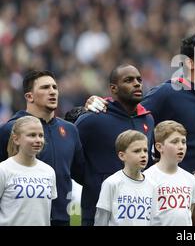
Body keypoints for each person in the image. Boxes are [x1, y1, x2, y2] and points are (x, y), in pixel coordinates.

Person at [85, 34, 195, 173]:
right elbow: (130, 113)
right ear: (189, 62)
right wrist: (98, 104)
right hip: (177, 189)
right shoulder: (167, 93)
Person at [0, 70, 83, 226]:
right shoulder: (9, 130)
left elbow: (81, 174)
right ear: (29, 96)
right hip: (21, 219)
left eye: (54, 87)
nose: (52, 91)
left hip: (62, 218)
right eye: (45, 87)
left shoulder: (70, 130)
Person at [75, 64, 154, 226]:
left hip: (137, 212)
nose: (137, 83)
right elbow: (72, 157)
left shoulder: (148, 119)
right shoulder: (93, 119)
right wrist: (94, 179)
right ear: (113, 88)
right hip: (98, 211)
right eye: (129, 80)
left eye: (139, 79)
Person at [0, 116, 57, 225]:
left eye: (41, 135)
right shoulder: (3, 169)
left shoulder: (49, 171)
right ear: (16, 139)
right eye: (32, 135)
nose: (38, 140)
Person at [143, 120, 195, 225]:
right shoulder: (147, 178)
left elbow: (190, 212)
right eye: (174, 142)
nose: (181, 146)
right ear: (159, 147)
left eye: (183, 142)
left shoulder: (190, 179)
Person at [94, 130, 153, 226]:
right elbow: (101, 218)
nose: (143, 155)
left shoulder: (152, 185)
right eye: (137, 151)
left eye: (145, 150)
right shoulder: (112, 183)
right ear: (122, 156)